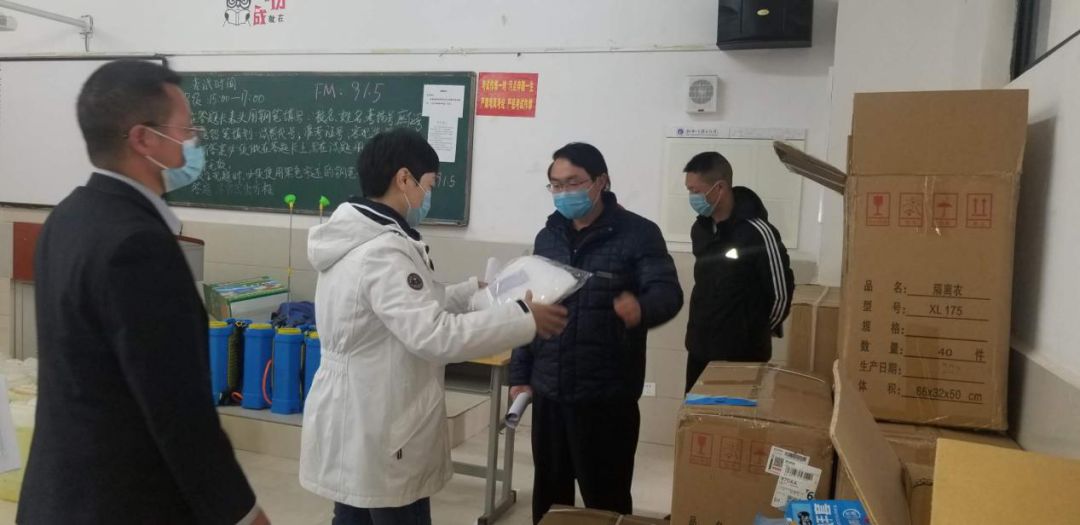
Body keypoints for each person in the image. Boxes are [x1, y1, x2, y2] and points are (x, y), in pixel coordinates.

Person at [19, 60, 268, 524]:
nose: (194, 141)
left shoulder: (68, 216)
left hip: (58, 496)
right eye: (186, 129)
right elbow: (176, 408)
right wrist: (242, 513)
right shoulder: (138, 245)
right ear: (143, 139)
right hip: (120, 502)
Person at [299, 128, 568, 525]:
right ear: (404, 179)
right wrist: (523, 319)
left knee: (354, 513)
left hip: (356, 413)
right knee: (392, 510)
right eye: (429, 184)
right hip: (380, 419)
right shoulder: (383, 252)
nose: (428, 195)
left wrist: (469, 292)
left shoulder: (356, 239)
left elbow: (403, 307)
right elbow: (435, 335)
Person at [510, 142, 684, 524]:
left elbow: (668, 293)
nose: (564, 192)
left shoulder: (639, 234)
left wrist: (642, 308)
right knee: (549, 499)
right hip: (550, 392)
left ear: (600, 181)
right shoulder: (547, 237)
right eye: (556, 185)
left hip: (606, 396)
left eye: (573, 182)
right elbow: (530, 308)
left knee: (606, 500)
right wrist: (520, 374)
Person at [683, 151, 794, 392]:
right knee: (695, 414)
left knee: (735, 416)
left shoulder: (758, 232)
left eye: (695, 191)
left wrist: (754, 331)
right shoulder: (700, 229)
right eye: (689, 190)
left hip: (742, 356)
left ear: (720, 188)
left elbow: (781, 294)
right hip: (700, 349)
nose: (692, 197)